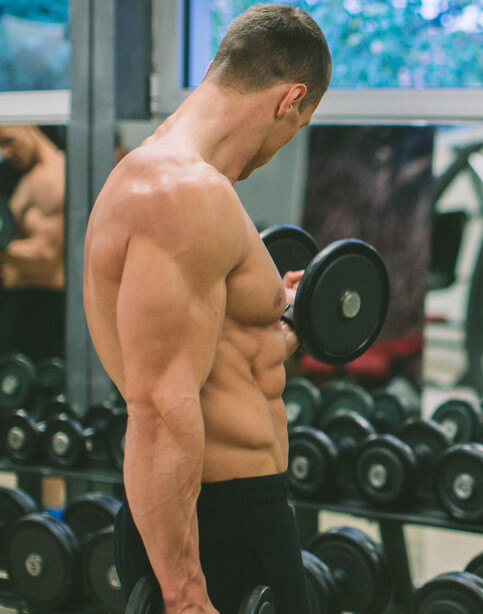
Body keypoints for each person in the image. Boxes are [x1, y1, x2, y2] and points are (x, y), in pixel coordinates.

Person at [82, 5, 330, 613]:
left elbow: (221, 350)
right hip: (216, 527)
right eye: (298, 126)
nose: (281, 146)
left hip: (238, 513)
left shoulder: (191, 188)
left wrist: (286, 313)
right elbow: (161, 407)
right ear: (289, 99)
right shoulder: (181, 194)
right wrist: (186, 592)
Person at [0, 124, 66, 361]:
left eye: (9, 141)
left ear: (29, 127)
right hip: (26, 304)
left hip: (38, 307)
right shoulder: (34, 176)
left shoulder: (49, 180)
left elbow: (44, 256)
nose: (6, 153)